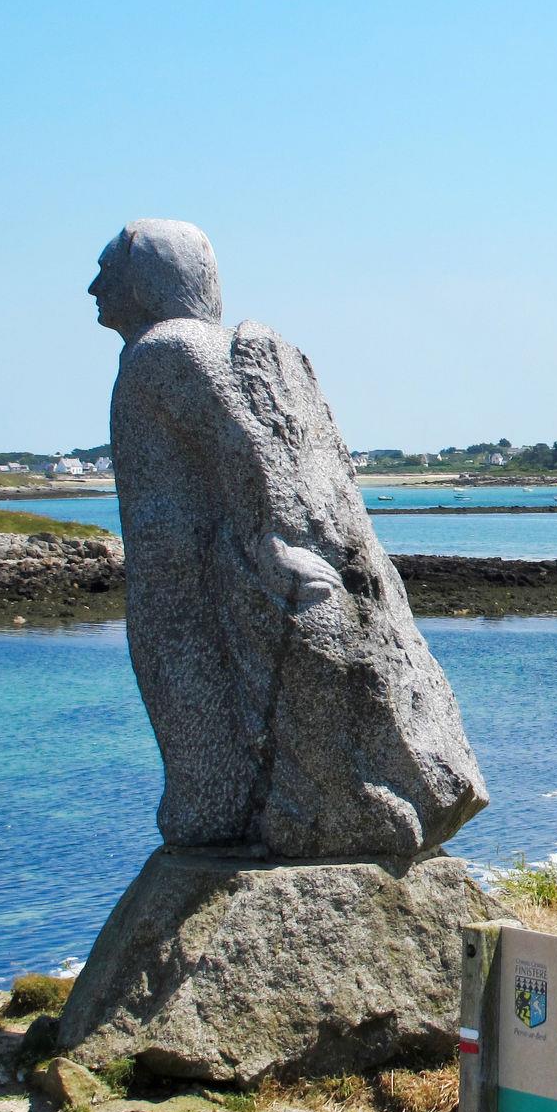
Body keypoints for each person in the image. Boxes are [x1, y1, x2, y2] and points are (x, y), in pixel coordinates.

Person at [90, 220, 486, 863]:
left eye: (107, 271)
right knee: (204, 702)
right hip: (186, 564)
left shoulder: (166, 349)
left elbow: (240, 442)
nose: (94, 288)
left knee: (190, 699)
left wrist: (272, 537)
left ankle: (236, 807)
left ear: (148, 277)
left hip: (184, 573)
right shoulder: (182, 348)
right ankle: (238, 804)